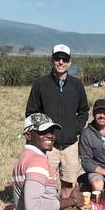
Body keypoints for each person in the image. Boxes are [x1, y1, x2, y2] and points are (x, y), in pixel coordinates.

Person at [25, 44, 89, 199]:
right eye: (57, 58)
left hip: (70, 145)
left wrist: (75, 130)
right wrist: (43, 134)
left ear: (70, 62)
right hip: (47, 145)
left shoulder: (77, 84)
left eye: (65, 59)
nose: (61, 62)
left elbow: (84, 111)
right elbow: (31, 113)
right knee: (45, 182)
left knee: (68, 183)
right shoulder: (40, 85)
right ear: (51, 60)